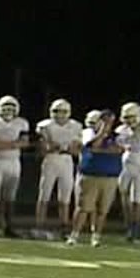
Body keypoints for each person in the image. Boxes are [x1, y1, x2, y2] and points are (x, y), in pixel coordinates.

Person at [70, 108, 121, 248]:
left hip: (110, 176)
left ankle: (96, 237)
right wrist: (102, 132)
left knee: (102, 210)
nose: (108, 123)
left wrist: (99, 150)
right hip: (90, 175)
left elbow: (118, 150)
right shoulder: (88, 132)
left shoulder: (117, 135)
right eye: (105, 120)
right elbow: (93, 145)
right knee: (83, 207)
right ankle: (74, 235)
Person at [0, 95, 30, 238]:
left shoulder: (22, 123)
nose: (8, 111)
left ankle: (9, 227)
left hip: (13, 162)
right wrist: (14, 144)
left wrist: (2, 144)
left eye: (11, 108)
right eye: (5, 108)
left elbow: (25, 142)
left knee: (10, 196)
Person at [35, 99, 80, 235]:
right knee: (44, 194)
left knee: (65, 196)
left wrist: (65, 148)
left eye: (62, 111)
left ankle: (64, 226)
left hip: (66, 161)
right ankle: (39, 226)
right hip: (51, 160)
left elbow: (76, 150)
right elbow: (42, 149)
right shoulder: (45, 126)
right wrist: (51, 147)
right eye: (56, 111)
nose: (59, 115)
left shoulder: (75, 126)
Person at [116, 102, 140, 242]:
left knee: (137, 199)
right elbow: (118, 147)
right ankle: (129, 226)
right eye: (127, 117)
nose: (130, 120)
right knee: (124, 197)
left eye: (132, 116)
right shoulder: (121, 130)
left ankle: (136, 228)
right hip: (125, 167)